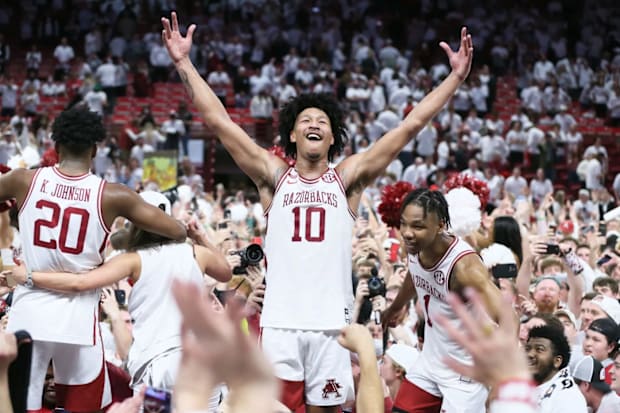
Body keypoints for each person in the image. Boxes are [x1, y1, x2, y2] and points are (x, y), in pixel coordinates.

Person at [161, 11, 474, 412]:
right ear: (292, 134)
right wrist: (183, 62)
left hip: (331, 323)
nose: (313, 124)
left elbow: (409, 127)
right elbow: (219, 121)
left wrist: (454, 79)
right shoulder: (273, 176)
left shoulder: (348, 178)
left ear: (332, 137)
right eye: (305, 120)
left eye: (321, 121)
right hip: (280, 324)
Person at [0, 106, 187, 412]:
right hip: (78, 318)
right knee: (82, 406)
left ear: (56, 146)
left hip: (29, 311)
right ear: (96, 149)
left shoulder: (23, 180)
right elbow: (176, 230)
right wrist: (125, 238)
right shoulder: (113, 195)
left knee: (18, 404)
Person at [6, 192, 231, 403]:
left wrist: (28, 276)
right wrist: (200, 237)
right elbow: (225, 272)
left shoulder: (132, 260)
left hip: (162, 365)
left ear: (135, 222)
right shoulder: (194, 252)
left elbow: (79, 283)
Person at [382, 188, 504, 412]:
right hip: (430, 362)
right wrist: (395, 307)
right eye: (404, 224)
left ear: (439, 226)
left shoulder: (464, 267)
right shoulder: (415, 247)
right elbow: (415, 273)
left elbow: (508, 317)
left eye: (417, 226)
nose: (407, 233)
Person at [526, 324, 587, 412]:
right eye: (527, 349)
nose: (530, 354)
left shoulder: (567, 397)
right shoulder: (522, 387)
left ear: (557, 361)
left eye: (539, 349)